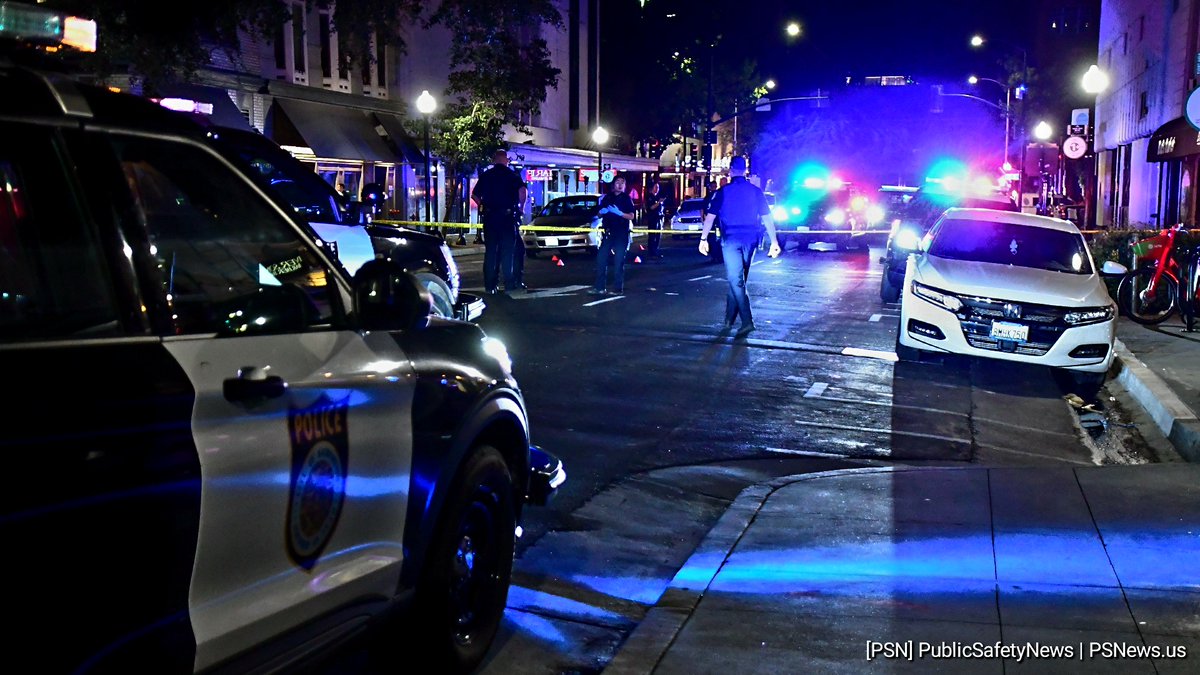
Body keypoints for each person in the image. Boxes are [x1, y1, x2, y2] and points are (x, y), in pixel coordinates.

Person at [698, 156, 780, 337]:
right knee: (738, 280)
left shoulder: (722, 192)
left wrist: (703, 239)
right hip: (750, 239)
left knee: (736, 280)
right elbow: (767, 217)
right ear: (745, 170)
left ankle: (747, 321)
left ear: (731, 170)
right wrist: (774, 242)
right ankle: (728, 320)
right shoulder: (755, 191)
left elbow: (710, 217)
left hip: (731, 239)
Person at [471, 149, 527, 294]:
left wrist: (483, 206)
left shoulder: (486, 175)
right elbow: (522, 191)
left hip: (490, 218)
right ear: (505, 159)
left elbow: (474, 195)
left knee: (490, 252)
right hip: (507, 218)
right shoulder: (512, 175)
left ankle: (490, 286)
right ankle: (509, 283)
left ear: (494, 160)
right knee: (508, 252)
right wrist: (521, 209)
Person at [591, 175, 636, 295]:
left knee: (618, 261)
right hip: (608, 232)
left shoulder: (626, 199)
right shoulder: (607, 198)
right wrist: (601, 212)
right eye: (618, 182)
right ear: (613, 184)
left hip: (621, 232)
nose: (620, 185)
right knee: (601, 259)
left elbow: (631, 216)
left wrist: (620, 213)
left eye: (623, 183)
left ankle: (617, 288)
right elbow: (599, 214)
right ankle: (600, 287)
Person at [643, 179, 666, 258]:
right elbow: (651, 207)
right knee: (653, 236)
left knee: (658, 236)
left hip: (659, 218)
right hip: (653, 219)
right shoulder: (650, 197)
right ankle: (651, 252)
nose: (657, 189)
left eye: (658, 187)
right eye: (656, 187)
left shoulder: (657, 197)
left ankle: (656, 250)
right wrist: (659, 202)